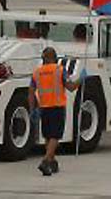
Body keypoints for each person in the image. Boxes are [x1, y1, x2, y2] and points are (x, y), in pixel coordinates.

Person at [29, 47, 85, 176]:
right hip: (57, 106)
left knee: (48, 136)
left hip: (43, 108)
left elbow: (31, 92)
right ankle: (45, 161)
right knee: (56, 136)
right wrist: (81, 78)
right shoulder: (59, 70)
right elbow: (71, 87)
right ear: (54, 58)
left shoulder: (37, 72)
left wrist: (32, 109)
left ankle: (52, 162)